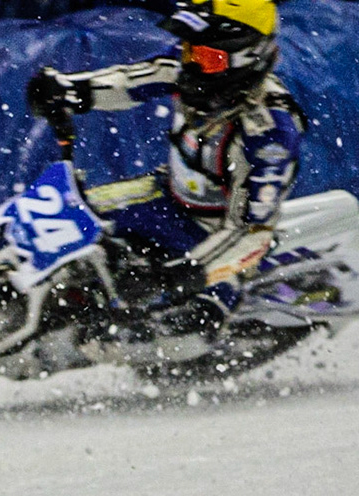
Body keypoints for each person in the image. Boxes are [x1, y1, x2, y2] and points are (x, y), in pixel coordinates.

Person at [25, 0, 303, 339]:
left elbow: (252, 232)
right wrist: (72, 90)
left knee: (190, 327)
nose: (189, 64)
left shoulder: (269, 134)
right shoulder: (191, 67)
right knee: (74, 220)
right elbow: (130, 82)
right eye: (189, 51)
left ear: (247, 59)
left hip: (215, 237)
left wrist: (184, 272)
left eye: (206, 58)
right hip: (167, 195)